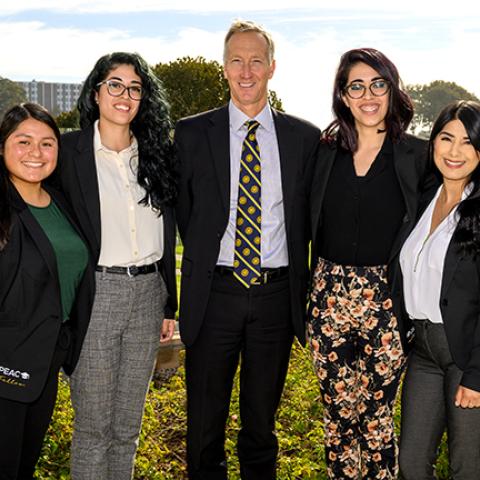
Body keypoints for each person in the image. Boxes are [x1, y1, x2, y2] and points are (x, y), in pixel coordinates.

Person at [175, 20, 320, 480]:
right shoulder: (192, 134)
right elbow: (183, 212)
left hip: (276, 298)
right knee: (203, 426)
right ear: (224, 68)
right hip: (214, 294)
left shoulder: (304, 138)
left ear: (272, 68)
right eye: (236, 59)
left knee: (261, 426)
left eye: (256, 60)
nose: (246, 70)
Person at [307, 48, 430, 479]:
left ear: (393, 89)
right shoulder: (324, 152)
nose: (368, 94)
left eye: (378, 83)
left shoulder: (418, 155)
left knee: (376, 420)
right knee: (339, 420)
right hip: (328, 298)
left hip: (385, 302)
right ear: (342, 95)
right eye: (356, 85)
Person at [58, 52, 177, 480]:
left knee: (127, 429)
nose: (125, 95)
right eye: (115, 84)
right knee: (93, 430)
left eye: (135, 87)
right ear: (96, 91)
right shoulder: (68, 151)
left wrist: (169, 305)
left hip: (148, 296)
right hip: (97, 294)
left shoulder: (157, 156)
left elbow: (167, 234)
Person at [0, 103, 94, 479]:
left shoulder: (60, 202)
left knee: (24, 465)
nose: (36, 153)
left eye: (47, 143)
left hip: (46, 359)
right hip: (6, 362)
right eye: (23, 141)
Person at [397, 100, 480, 479]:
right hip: (423, 350)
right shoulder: (423, 197)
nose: (455, 151)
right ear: (433, 143)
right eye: (447, 138)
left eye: (468, 141)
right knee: (412, 465)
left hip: (466, 353)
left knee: (467, 468)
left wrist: (478, 375)